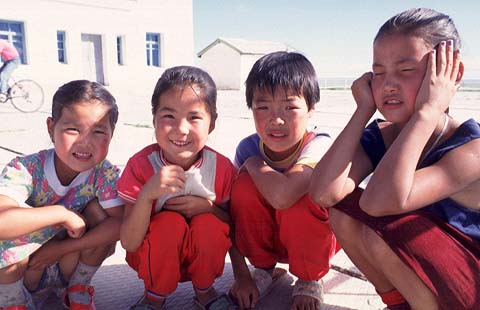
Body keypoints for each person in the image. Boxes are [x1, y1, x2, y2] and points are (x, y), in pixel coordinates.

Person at [310, 8, 480, 309]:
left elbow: (380, 203)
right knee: (344, 209)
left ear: (450, 73)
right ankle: (399, 304)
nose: (388, 84)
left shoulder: (470, 149)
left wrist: (429, 111)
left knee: (387, 229)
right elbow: (324, 192)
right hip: (431, 277)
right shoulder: (384, 134)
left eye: (405, 70)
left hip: (471, 280)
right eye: (378, 73)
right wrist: (362, 109)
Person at [118, 66, 239, 310]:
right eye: (169, 116)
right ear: (153, 119)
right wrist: (147, 194)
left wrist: (208, 209)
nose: (181, 129)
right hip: (152, 259)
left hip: (202, 259)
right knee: (168, 224)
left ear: (212, 123)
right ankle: (153, 298)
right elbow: (130, 243)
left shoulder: (222, 168)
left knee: (210, 224)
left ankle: (205, 293)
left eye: (194, 117)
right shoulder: (140, 166)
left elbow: (234, 229)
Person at [0, 80, 124, 310]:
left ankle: (78, 289)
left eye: (98, 131)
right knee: (11, 226)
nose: (85, 142)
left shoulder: (104, 173)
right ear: (51, 128)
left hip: (67, 262)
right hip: (24, 270)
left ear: (111, 134)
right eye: (73, 129)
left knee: (100, 214)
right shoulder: (26, 169)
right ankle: (12, 301)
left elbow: (121, 223)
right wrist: (61, 213)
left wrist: (60, 249)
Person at [229, 51, 338, 310]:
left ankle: (310, 278)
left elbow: (284, 196)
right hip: (272, 238)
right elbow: (229, 211)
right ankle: (264, 267)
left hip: (315, 241)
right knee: (241, 189)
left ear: (311, 109)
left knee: (301, 195)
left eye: (290, 107)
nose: (276, 119)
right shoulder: (247, 147)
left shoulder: (319, 144)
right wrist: (241, 275)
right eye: (263, 107)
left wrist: (255, 164)